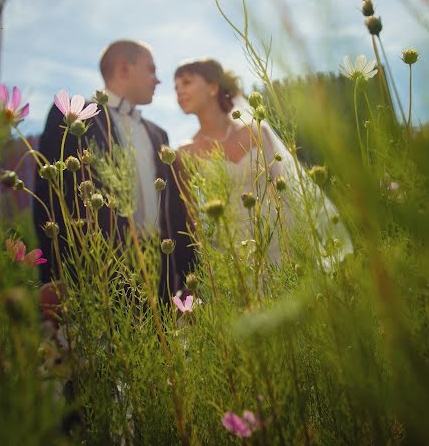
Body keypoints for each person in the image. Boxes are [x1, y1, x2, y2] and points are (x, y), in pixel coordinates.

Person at [33, 39, 194, 308]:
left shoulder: (159, 134)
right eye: (151, 70)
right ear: (123, 69)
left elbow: (175, 210)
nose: (158, 80)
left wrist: (189, 275)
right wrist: (54, 276)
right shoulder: (74, 117)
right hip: (99, 274)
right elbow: (51, 196)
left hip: (163, 273)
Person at [173, 57, 352, 266]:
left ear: (213, 87)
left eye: (186, 83)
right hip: (234, 251)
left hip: (281, 235)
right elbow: (192, 217)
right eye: (176, 88)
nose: (179, 92)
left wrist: (295, 240)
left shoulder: (257, 132)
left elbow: (284, 186)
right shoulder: (185, 152)